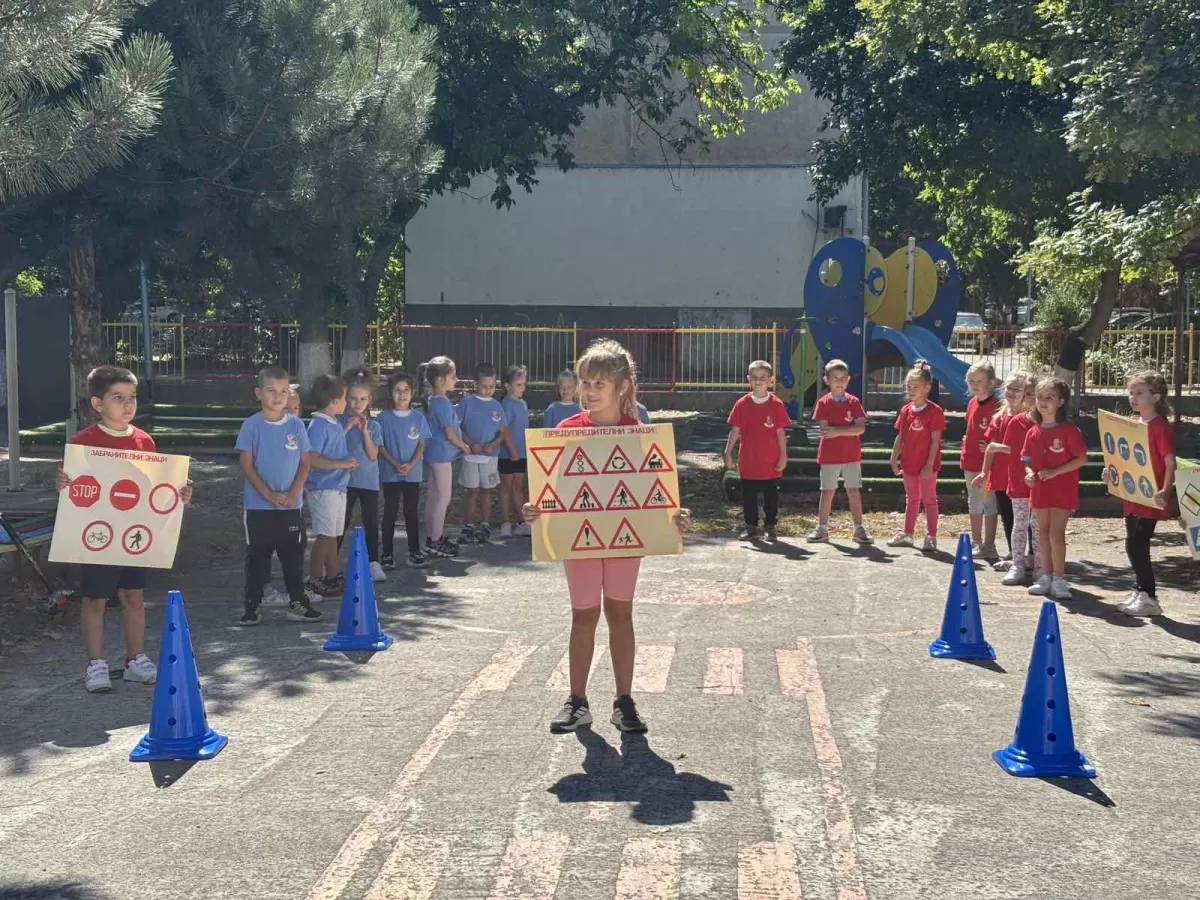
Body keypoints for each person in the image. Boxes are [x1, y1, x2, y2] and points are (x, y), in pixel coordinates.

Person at [522, 339, 690, 735]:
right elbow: (551, 489)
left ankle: (624, 701)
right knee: (583, 615)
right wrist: (535, 509)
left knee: (620, 614)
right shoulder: (564, 432)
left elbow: (656, 493)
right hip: (578, 539)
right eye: (585, 382)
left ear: (622, 386)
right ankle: (577, 701)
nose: (590, 391)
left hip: (624, 540)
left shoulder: (640, 434)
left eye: (600, 383)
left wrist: (675, 517)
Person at [57, 366, 194, 692]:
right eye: (117, 398)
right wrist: (62, 482)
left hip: (134, 536)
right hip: (98, 536)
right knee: (95, 600)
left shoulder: (144, 441)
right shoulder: (83, 442)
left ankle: (135, 660)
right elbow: (75, 487)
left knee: (134, 596)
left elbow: (153, 487)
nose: (128, 404)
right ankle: (96, 664)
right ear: (97, 403)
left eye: (131, 397)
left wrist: (179, 492)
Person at [234, 365, 320, 626]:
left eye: (283, 391)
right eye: (271, 390)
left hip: (291, 506)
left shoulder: (296, 424)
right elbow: (246, 464)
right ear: (258, 393)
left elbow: (305, 462)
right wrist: (269, 495)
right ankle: (252, 606)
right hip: (258, 507)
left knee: (293, 556)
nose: (278, 396)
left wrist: (293, 493)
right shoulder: (251, 426)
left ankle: (297, 603)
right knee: (257, 557)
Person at [1022, 375, 1089, 600]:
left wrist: (1055, 472)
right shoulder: (1033, 431)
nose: (1043, 402)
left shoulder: (1069, 431)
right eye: (1039, 397)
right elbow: (1026, 460)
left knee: (1056, 533)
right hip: (1040, 490)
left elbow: (1081, 459)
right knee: (1041, 531)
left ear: (1060, 402)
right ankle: (1046, 576)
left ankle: (1059, 579)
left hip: (1062, 490)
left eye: (1049, 397)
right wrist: (1029, 474)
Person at [1117, 371, 1176, 617]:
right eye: (1131, 392)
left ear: (1156, 397)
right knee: (1132, 543)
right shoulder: (1133, 423)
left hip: (1151, 495)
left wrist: (1165, 490)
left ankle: (1148, 596)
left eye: (1139, 393)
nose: (1133, 397)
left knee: (1137, 543)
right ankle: (1141, 590)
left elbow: (1170, 462)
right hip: (1133, 494)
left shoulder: (1159, 426)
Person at [724, 360, 790, 541]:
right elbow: (735, 430)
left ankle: (770, 527)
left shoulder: (776, 404)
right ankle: (751, 527)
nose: (758, 381)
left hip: (770, 462)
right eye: (754, 377)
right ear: (748, 379)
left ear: (771, 380)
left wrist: (783, 456)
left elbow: (780, 432)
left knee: (771, 497)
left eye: (763, 377)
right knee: (749, 497)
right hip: (748, 461)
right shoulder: (741, 404)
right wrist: (727, 453)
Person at [808, 358, 871, 544]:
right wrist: (847, 430)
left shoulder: (854, 402)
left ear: (848, 379)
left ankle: (858, 527)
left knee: (854, 491)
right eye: (835, 378)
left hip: (851, 455)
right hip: (829, 456)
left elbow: (860, 428)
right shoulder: (823, 403)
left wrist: (838, 431)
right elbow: (826, 431)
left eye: (843, 377)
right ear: (827, 380)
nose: (839, 381)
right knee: (827, 492)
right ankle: (822, 528)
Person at [305, 373, 357, 597]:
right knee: (324, 537)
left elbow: (331, 445)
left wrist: (347, 429)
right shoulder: (318, 425)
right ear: (335, 401)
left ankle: (333, 575)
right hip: (323, 489)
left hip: (337, 488)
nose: (347, 402)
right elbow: (313, 458)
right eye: (345, 398)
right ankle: (314, 578)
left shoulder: (333, 423)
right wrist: (342, 464)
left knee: (333, 535)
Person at [973, 371, 1029, 574]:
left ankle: (1032, 556)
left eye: (1017, 389)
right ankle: (1014, 554)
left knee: (1027, 520)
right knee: (1007, 515)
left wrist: (999, 448)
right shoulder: (999, 416)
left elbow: (1028, 450)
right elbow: (990, 446)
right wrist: (984, 471)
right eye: (1009, 388)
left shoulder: (1029, 419)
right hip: (1000, 475)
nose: (1011, 393)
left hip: (1021, 476)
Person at [888, 360, 944, 552]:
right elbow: (901, 436)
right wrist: (894, 457)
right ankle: (908, 533)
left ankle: (931, 536)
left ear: (927, 388)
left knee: (929, 500)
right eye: (909, 387)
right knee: (912, 499)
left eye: (916, 387)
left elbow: (935, 441)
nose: (911, 391)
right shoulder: (905, 410)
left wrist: (929, 465)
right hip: (909, 463)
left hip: (926, 464)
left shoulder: (935, 411)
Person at [377, 371, 432, 569]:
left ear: (412, 392)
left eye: (406, 390)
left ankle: (414, 551)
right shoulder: (382, 418)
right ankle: (387, 554)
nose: (402, 394)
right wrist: (395, 464)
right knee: (390, 512)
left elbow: (421, 444)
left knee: (411, 512)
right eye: (397, 390)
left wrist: (410, 464)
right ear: (390, 393)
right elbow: (380, 446)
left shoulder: (418, 417)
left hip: (412, 473)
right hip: (390, 473)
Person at [419, 355, 472, 557]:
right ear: (441, 380)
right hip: (441, 456)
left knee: (434, 497)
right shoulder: (441, 403)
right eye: (453, 376)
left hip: (434, 455)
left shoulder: (434, 401)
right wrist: (463, 446)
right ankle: (435, 539)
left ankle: (432, 536)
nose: (456, 380)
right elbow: (449, 433)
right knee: (443, 497)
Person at [338, 369, 386, 582]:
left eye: (363, 399)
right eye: (353, 398)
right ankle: (330, 563)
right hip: (344, 481)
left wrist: (365, 431)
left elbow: (373, 454)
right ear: (345, 398)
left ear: (369, 400)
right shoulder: (338, 421)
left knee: (371, 522)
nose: (357, 403)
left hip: (368, 482)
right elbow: (331, 447)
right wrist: (347, 428)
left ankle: (373, 562)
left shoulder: (374, 426)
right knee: (341, 521)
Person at [456, 362, 509, 544]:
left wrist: (493, 445)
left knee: (487, 490)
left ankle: (485, 525)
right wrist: (471, 443)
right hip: (470, 456)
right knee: (472, 491)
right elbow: (457, 428)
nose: (488, 390)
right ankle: (468, 525)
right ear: (475, 384)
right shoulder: (466, 403)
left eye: (492, 386)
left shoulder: (497, 406)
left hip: (490, 457)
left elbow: (503, 431)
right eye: (484, 386)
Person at [962, 362, 1000, 561]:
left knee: (989, 503)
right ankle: (976, 541)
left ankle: (989, 544)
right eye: (971, 381)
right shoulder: (971, 403)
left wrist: (992, 446)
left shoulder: (998, 406)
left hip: (988, 464)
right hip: (970, 460)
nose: (975, 385)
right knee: (974, 502)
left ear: (991, 383)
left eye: (979, 381)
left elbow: (1001, 433)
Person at [498, 365, 532, 538]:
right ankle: (505, 523)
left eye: (524, 384)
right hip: (507, 455)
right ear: (507, 385)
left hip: (521, 454)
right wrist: (512, 452)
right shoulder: (505, 404)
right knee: (506, 487)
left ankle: (522, 522)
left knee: (518, 487)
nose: (522, 388)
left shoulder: (523, 404)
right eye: (519, 384)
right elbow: (504, 431)